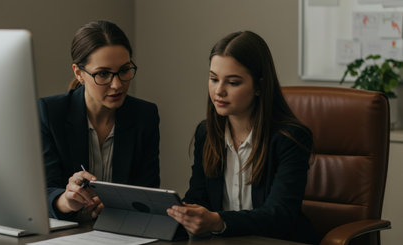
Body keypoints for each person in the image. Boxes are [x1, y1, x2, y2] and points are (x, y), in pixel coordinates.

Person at [167, 31, 319, 244]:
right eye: (213, 79)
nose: (219, 91)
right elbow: (198, 198)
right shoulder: (207, 133)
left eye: (233, 82)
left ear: (259, 86)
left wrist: (218, 221)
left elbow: (280, 215)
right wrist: (185, 213)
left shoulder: (290, 138)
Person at [38, 20, 160, 221]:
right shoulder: (51, 113)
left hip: (122, 231)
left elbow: (147, 192)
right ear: (79, 73)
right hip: (67, 232)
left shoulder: (144, 116)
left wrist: (116, 205)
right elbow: (45, 191)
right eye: (103, 74)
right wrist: (67, 200)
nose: (117, 84)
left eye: (124, 70)